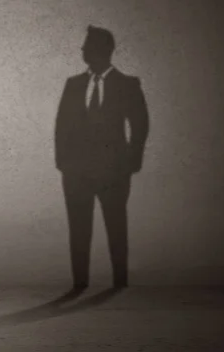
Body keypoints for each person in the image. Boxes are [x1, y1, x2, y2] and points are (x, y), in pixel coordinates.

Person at [54, 25, 149, 289]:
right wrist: (63, 164)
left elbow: (140, 125)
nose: (83, 50)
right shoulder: (73, 84)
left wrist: (131, 163)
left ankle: (120, 281)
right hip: (76, 174)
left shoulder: (127, 84)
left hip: (114, 171)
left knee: (116, 225)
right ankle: (79, 283)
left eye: (88, 45)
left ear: (104, 50)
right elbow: (61, 126)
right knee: (79, 229)